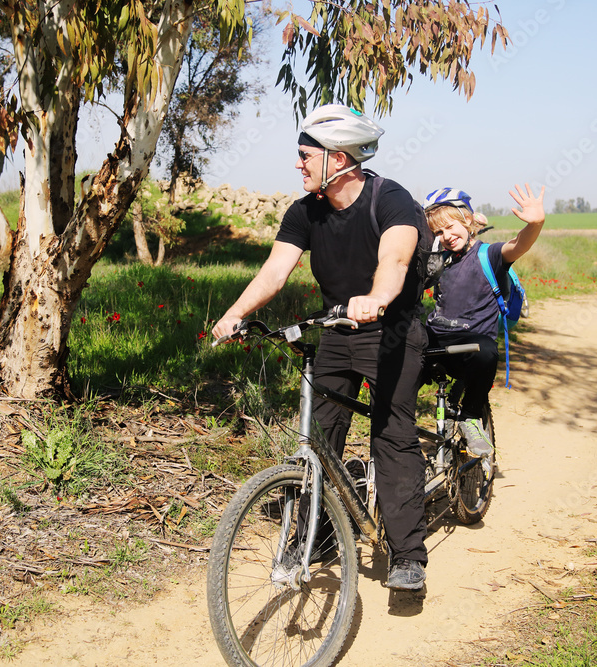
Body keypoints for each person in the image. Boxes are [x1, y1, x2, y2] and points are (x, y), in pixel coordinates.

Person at [212, 104, 431, 591]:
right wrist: (235, 314)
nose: (298, 164)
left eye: (306, 155)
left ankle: (407, 556)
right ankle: (319, 535)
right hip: (337, 331)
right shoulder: (305, 211)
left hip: (389, 330)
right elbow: (274, 272)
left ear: (339, 158)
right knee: (317, 436)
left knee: (391, 434)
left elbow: (395, 259)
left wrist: (375, 299)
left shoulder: (390, 198)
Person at [423, 184, 546, 463]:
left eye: (451, 227)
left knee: (487, 351)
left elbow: (518, 245)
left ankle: (470, 417)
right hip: (436, 338)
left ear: (468, 221)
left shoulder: (489, 255)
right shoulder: (439, 261)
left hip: (471, 345)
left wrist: (535, 224)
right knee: (403, 350)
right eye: (439, 232)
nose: (446, 236)